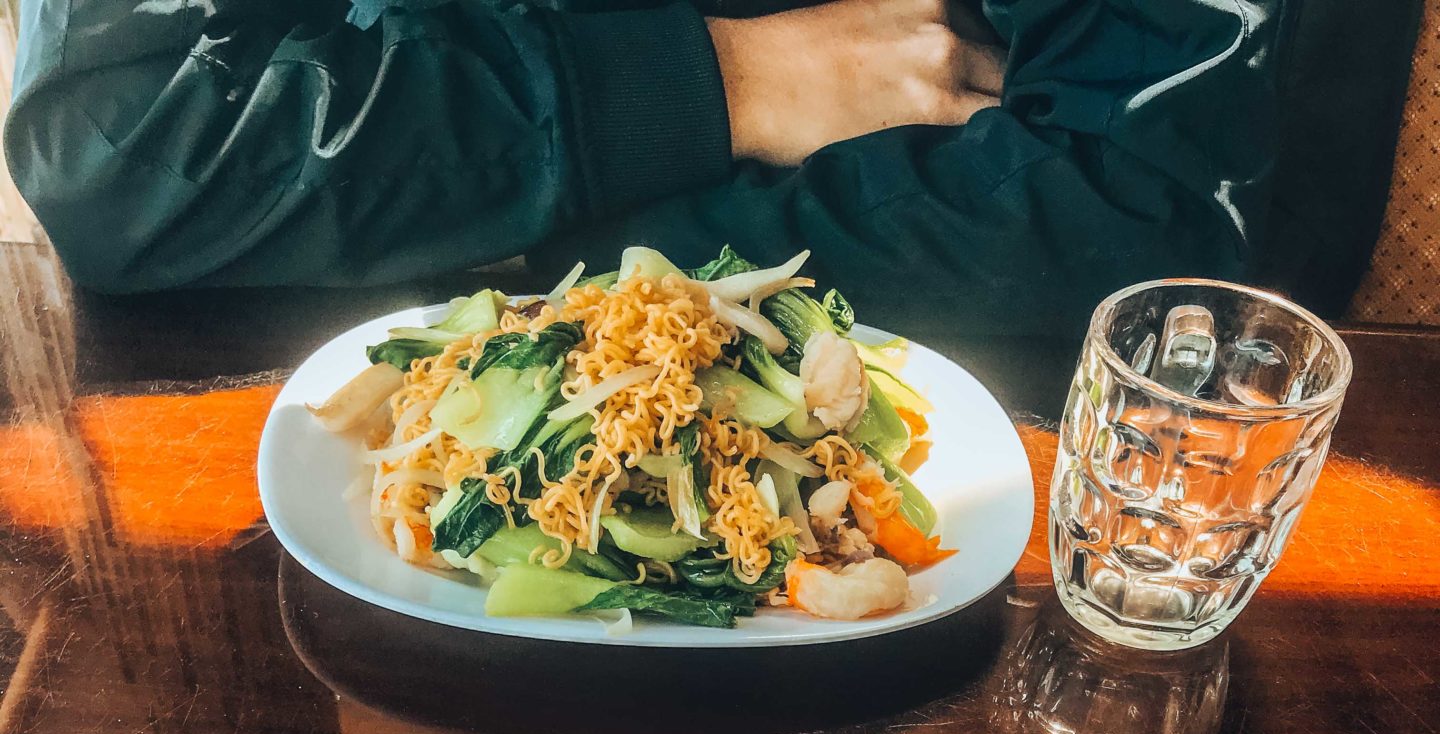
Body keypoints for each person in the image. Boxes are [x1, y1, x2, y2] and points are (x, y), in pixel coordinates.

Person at [3, 0, 1422, 330]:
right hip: (314, 480)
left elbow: (1160, 239)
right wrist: (724, 83)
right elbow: (118, 160)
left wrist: (459, 223)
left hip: (945, 529)